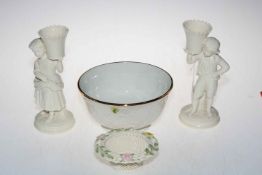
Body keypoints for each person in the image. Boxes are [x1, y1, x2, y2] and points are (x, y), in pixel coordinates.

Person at [187, 37, 230, 116]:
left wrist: (216, 74)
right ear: (203, 47)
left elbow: (226, 67)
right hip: (202, 78)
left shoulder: (216, 58)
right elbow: (190, 61)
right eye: (206, 49)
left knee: (210, 95)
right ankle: (194, 110)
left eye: (210, 51)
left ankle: (208, 111)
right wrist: (190, 54)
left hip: (212, 80)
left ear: (214, 52)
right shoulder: (201, 55)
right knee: (196, 94)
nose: (207, 52)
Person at [29, 38, 65, 119]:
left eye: (37, 51)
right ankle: (46, 109)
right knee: (43, 96)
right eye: (34, 52)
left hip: (52, 80)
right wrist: (41, 77)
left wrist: (59, 61)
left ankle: (52, 113)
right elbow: (36, 71)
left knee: (52, 96)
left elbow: (60, 70)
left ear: (44, 48)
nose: (36, 53)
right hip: (43, 81)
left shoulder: (51, 59)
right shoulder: (37, 62)